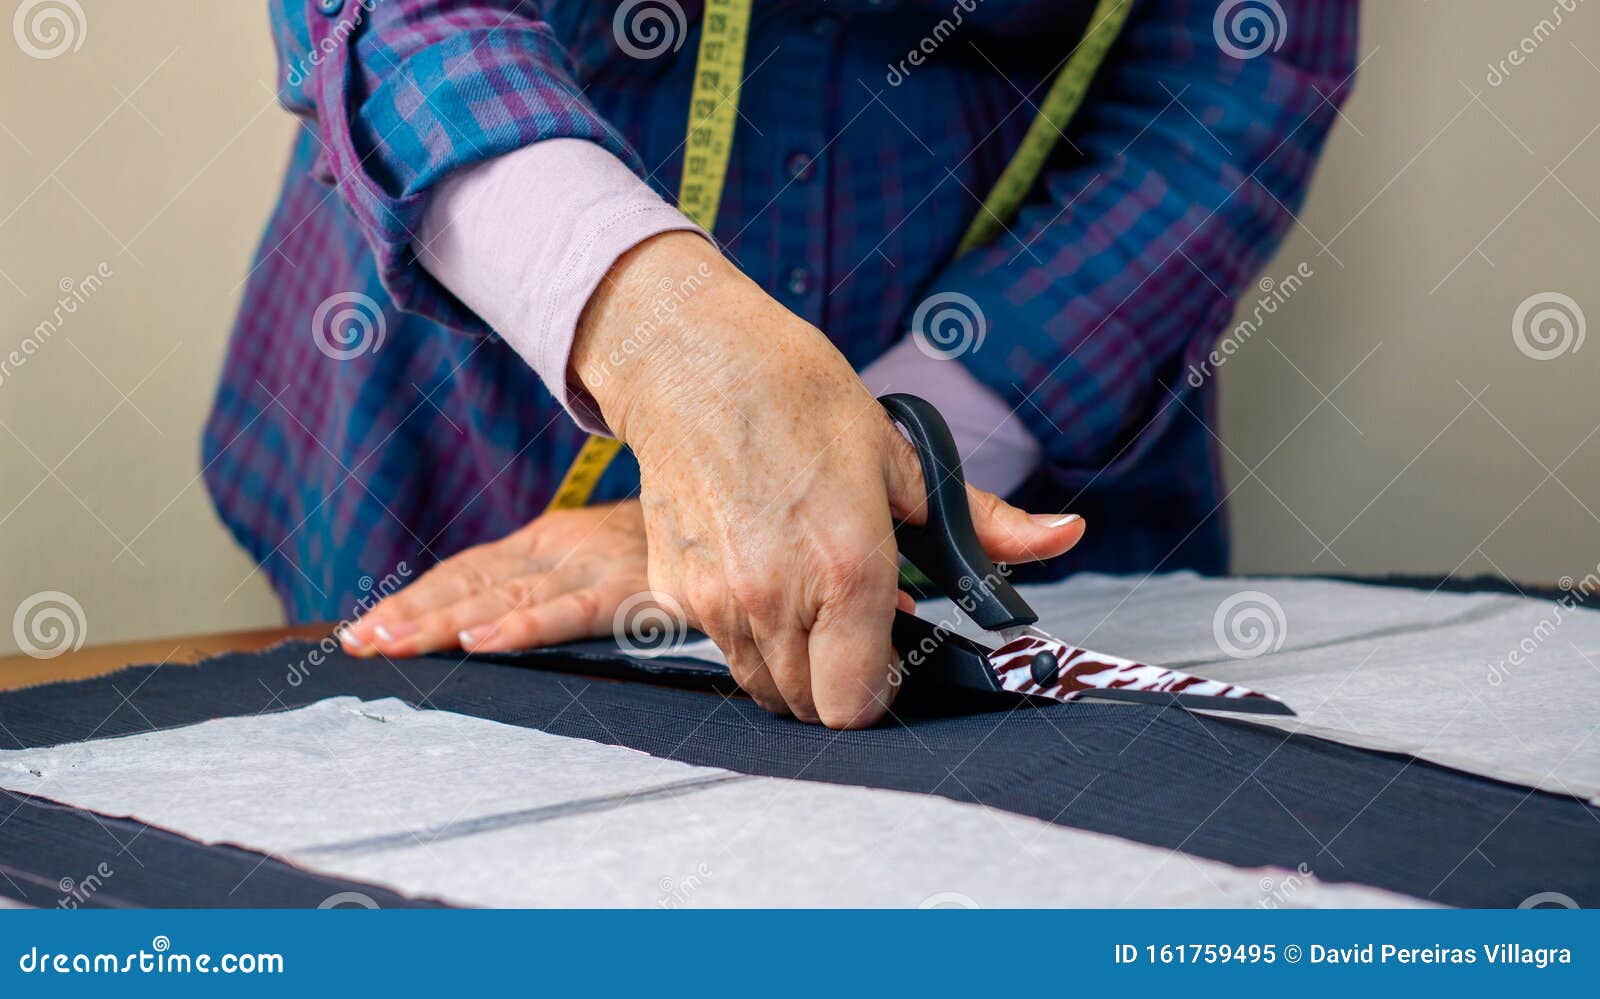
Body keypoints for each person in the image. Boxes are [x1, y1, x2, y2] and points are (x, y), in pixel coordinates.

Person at [205, 0, 1357, 728]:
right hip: (476, 405)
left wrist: (902, 452)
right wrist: (661, 337)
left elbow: (1236, 80)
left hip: (1022, 383)